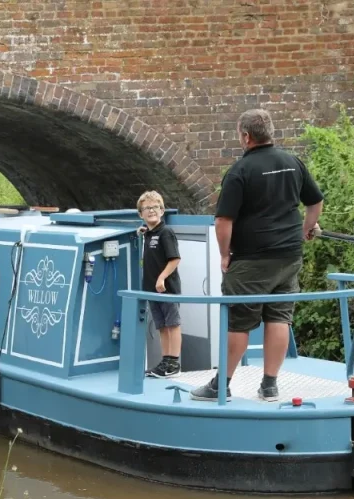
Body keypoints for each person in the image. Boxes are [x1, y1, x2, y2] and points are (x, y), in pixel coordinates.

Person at [192, 109, 324, 401]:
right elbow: (315, 203)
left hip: (252, 259)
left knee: (239, 321)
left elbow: (223, 221)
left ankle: (220, 385)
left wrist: (224, 255)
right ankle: (269, 385)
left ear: (246, 136)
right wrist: (305, 230)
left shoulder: (240, 171)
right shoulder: (293, 163)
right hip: (289, 256)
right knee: (279, 317)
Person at [136, 190, 183, 378]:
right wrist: (141, 231)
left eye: (155, 207)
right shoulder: (148, 233)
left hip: (167, 289)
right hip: (151, 290)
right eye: (146, 208)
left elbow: (175, 259)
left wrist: (162, 278)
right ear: (141, 214)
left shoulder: (166, 232)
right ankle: (165, 361)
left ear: (162, 211)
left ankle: (174, 363)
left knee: (173, 324)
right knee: (162, 326)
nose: (151, 211)